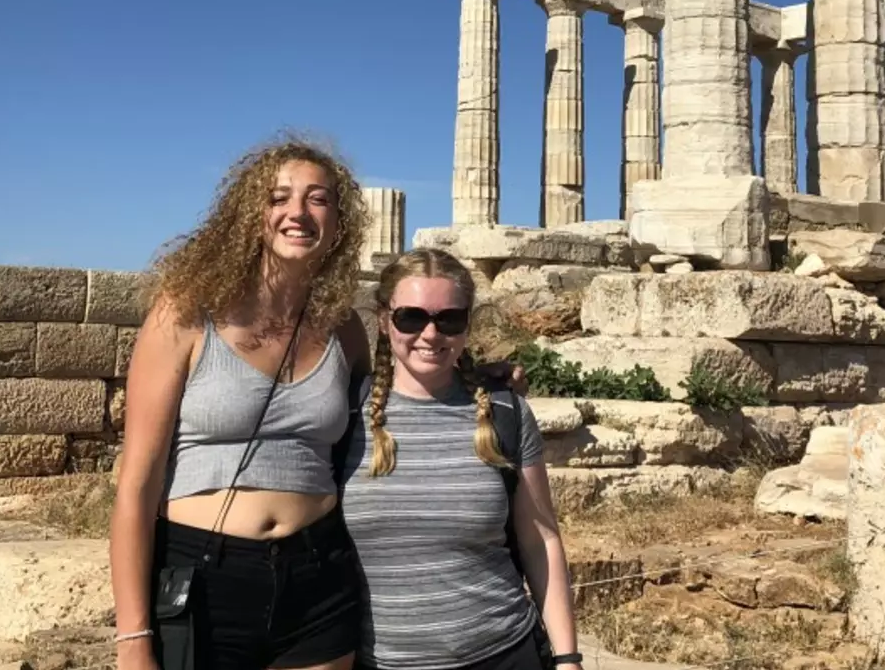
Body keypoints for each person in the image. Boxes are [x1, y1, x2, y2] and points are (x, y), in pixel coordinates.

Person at [109, 138, 372, 670]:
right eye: (279, 198)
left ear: (339, 223)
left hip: (320, 573)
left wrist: (481, 379)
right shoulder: (184, 314)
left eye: (318, 199)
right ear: (251, 215)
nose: (297, 212)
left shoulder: (343, 327)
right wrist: (133, 637)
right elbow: (137, 483)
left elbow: (392, 399)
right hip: (205, 574)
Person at [339, 248, 583, 670]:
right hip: (381, 662)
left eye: (449, 319)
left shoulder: (506, 413)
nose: (431, 334)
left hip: (503, 652)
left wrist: (568, 659)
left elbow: (540, 539)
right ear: (383, 320)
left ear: (468, 324)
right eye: (411, 317)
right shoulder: (341, 416)